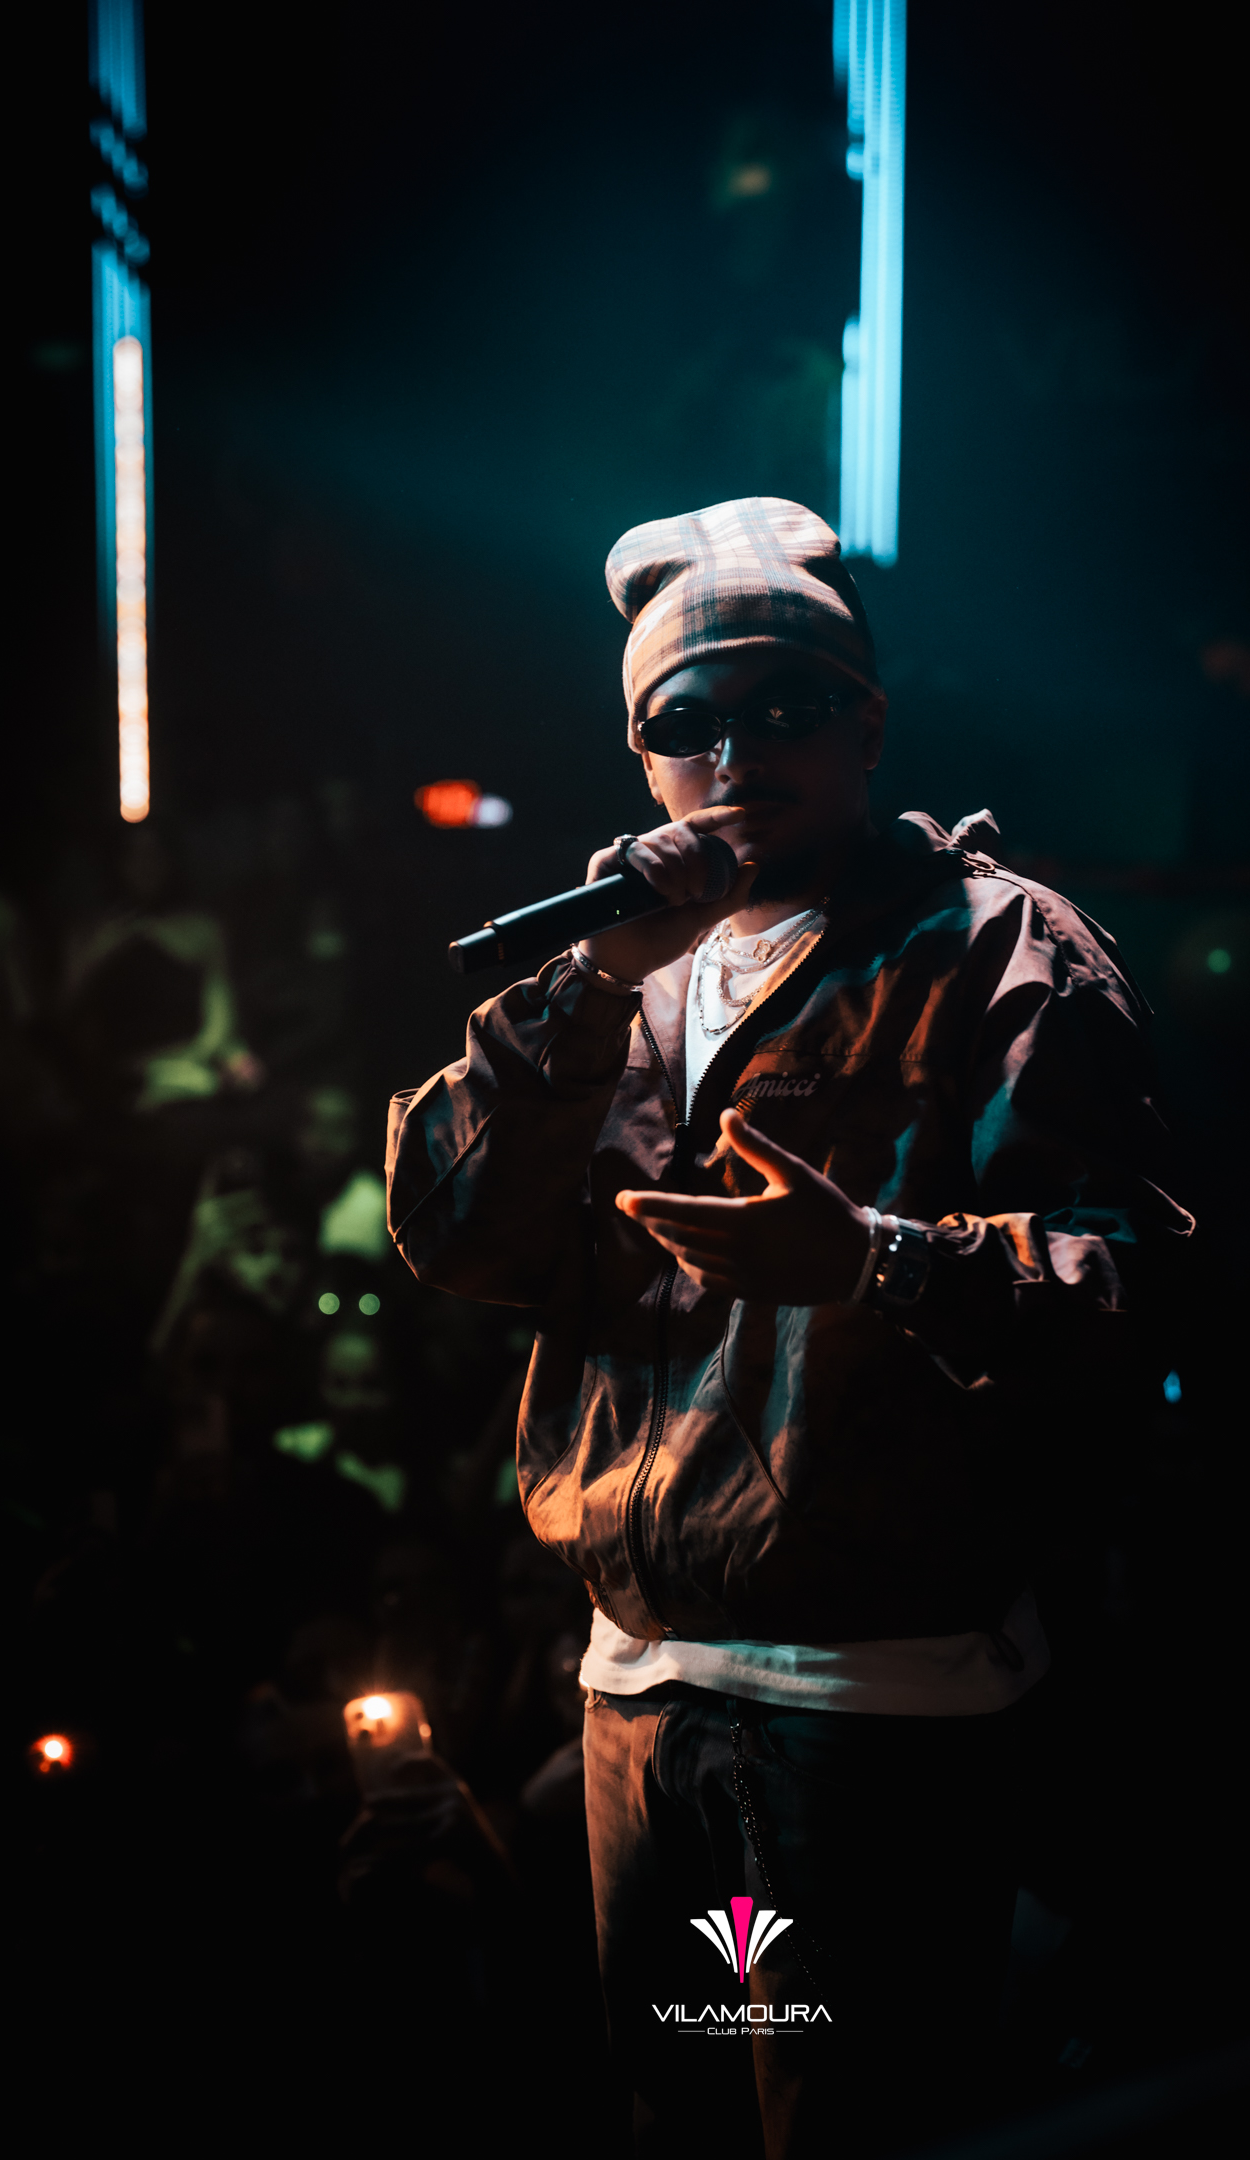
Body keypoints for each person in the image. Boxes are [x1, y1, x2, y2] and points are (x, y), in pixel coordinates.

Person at [386, 497, 1192, 2157]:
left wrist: (883, 1263)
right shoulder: (624, 982)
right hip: (637, 1695)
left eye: (785, 706)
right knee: (676, 2120)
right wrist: (581, 988)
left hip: (872, 1719)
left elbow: (1134, 1288)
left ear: (867, 723)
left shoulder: (993, 944)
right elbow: (458, 1238)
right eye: (685, 724)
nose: (735, 754)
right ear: (640, 758)